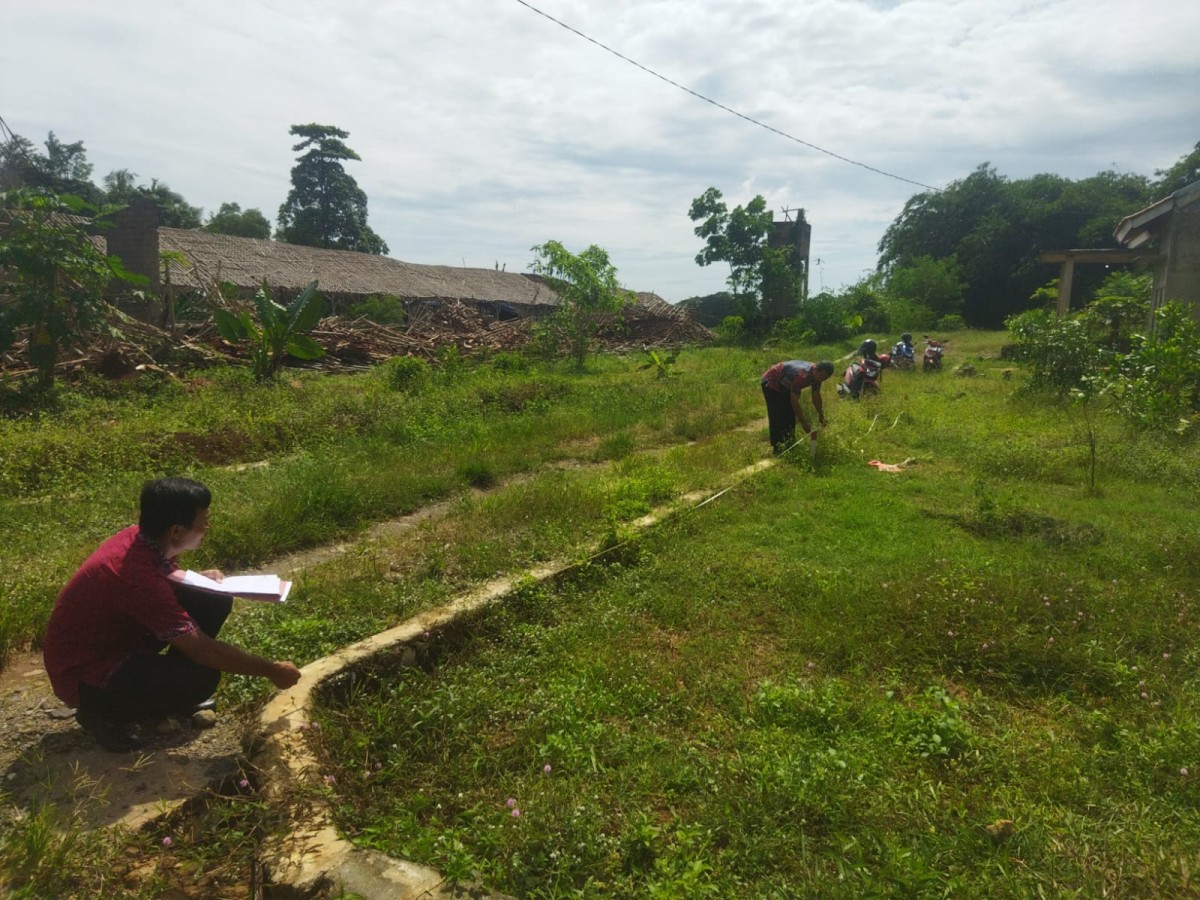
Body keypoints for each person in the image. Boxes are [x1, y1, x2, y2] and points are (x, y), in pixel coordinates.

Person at [42, 477, 302, 751]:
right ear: (176, 531)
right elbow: (205, 651)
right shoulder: (134, 576)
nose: (208, 527)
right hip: (86, 675)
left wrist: (200, 580)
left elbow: (159, 579)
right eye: (204, 521)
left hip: (117, 640)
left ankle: (166, 689)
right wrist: (270, 669)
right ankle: (102, 714)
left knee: (211, 597)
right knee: (202, 678)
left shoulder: (140, 539)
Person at [760, 359, 834, 454]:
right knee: (778, 414)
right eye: (821, 377)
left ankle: (789, 443)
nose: (821, 380)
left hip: (787, 384)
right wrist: (804, 424)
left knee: (790, 414)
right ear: (816, 370)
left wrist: (821, 415)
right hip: (772, 382)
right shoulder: (801, 376)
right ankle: (777, 447)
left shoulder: (817, 376)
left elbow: (816, 396)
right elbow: (794, 402)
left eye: (824, 379)